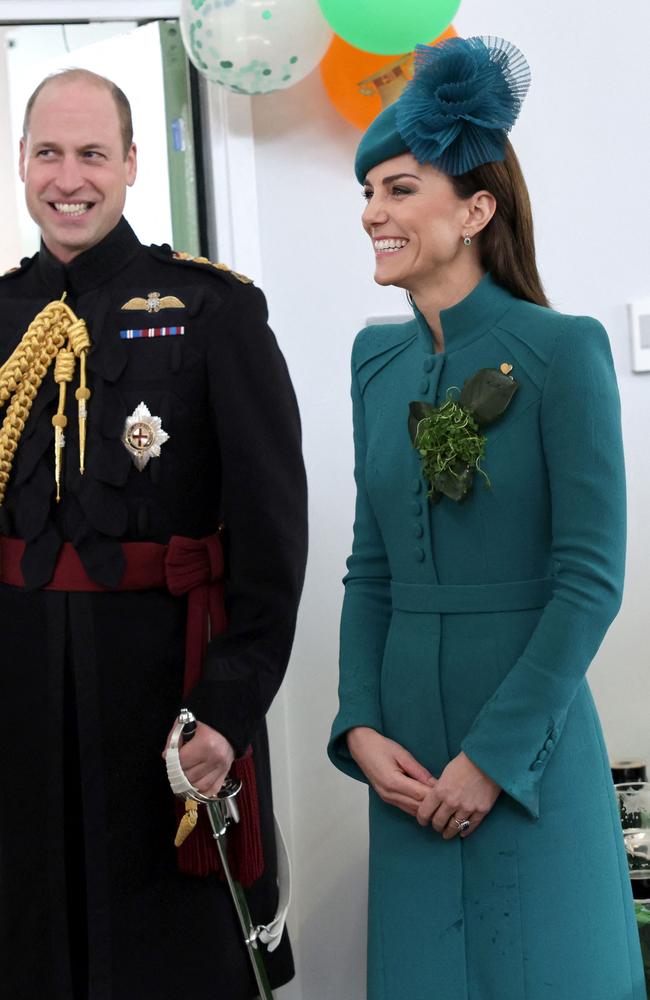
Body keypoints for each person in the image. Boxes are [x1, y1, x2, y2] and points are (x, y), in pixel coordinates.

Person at [328, 35, 645, 999]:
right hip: (408, 760)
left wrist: (494, 760)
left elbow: (590, 579)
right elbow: (370, 568)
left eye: (398, 190)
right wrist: (360, 726)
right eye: (368, 193)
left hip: (526, 752)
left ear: (474, 210)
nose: (374, 213)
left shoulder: (565, 351)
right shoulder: (372, 364)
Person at [0, 69, 307, 999]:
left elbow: (271, 530)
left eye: (93, 153)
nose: (70, 177)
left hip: (163, 701)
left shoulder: (213, 310)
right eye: (48, 153)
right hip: (15, 703)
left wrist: (229, 703)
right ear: (21, 164)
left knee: (167, 964)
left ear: (132, 164)